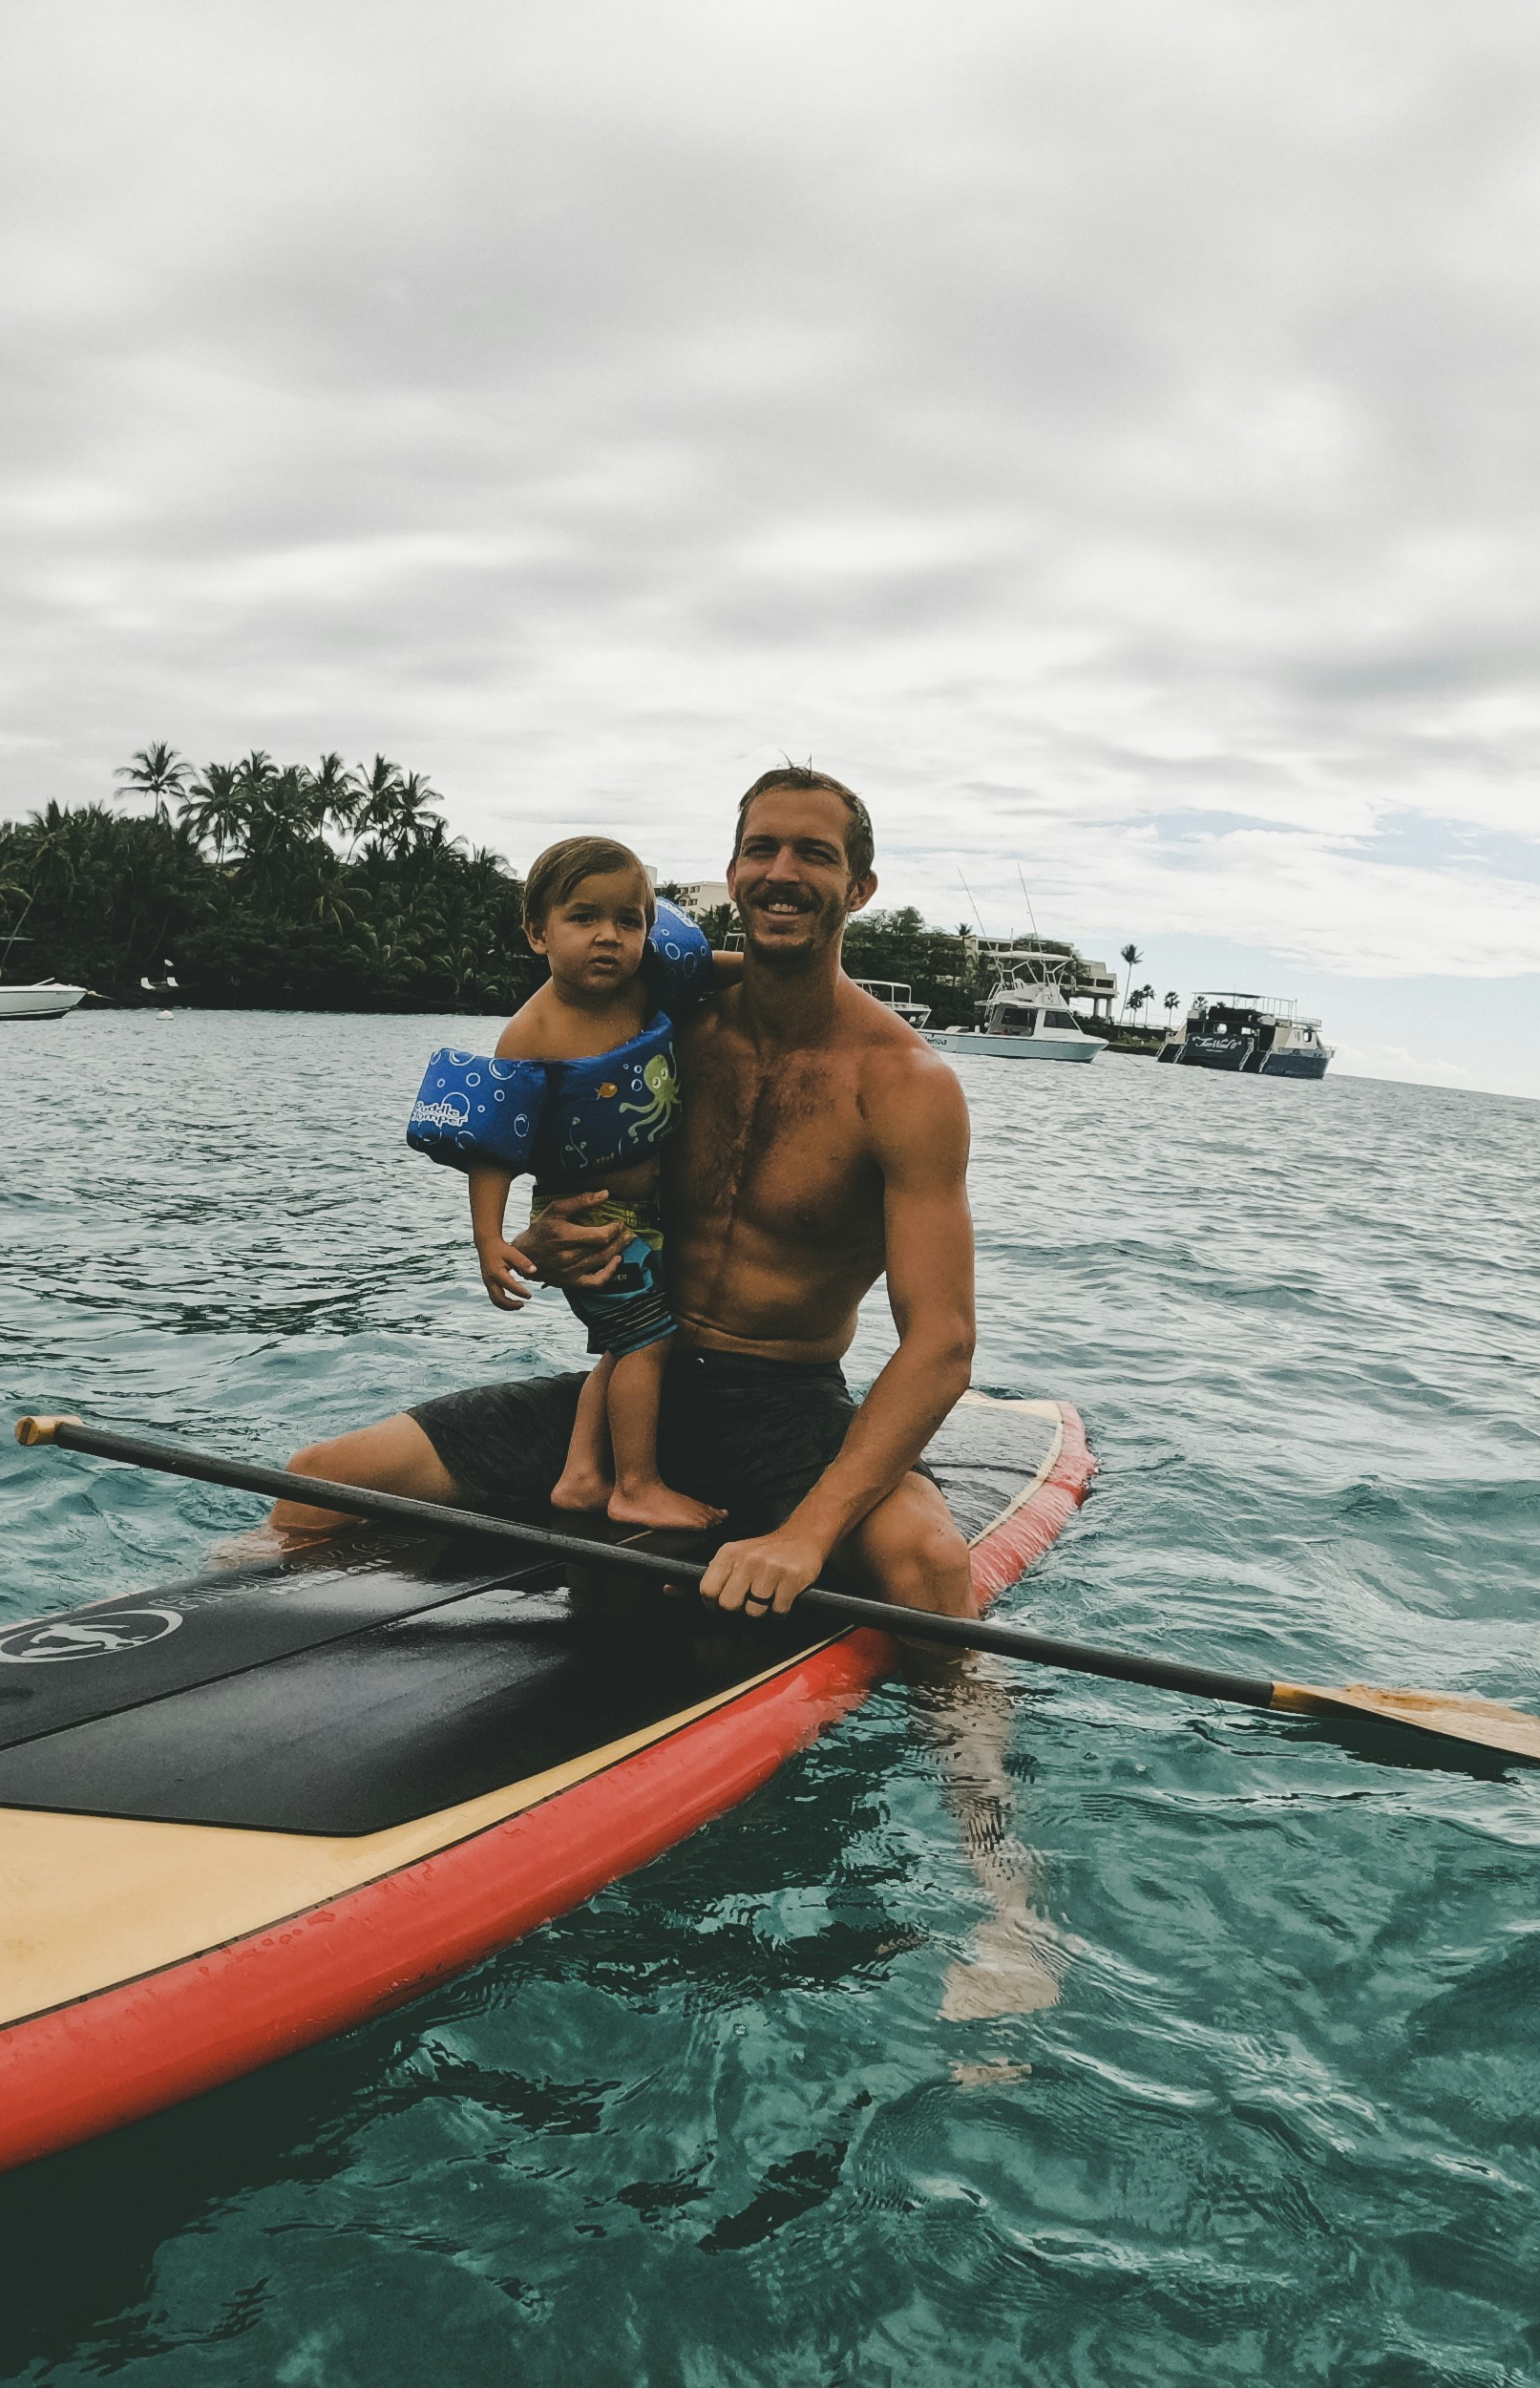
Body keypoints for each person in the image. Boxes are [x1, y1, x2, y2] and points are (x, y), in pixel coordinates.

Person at [285, 767, 1055, 2018]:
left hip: (779, 1410)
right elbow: (559, 1157)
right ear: (731, 868)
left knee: (924, 1576)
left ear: (858, 887)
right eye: (761, 848)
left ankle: (1004, 1900)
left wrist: (808, 1534)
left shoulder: (902, 1081)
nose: (782, 873)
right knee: (319, 1485)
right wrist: (553, 1231)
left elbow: (940, 1347)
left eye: (813, 854)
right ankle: (210, 1639)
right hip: (628, 1379)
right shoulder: (661, 1012)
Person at [410, 835, 725, 1531]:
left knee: (624, 1341)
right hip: (586, 1216)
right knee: (648, 1339)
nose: (608, 937)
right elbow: (492, 1149)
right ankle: (635, 1483)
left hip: (646, 1211)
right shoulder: (533, 1032)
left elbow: (716, 972)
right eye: (584, 919)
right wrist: (489, 1241)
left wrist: (765, 972)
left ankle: (581, 1476)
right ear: (537, 932)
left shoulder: (645, 990)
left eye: (629, 920)